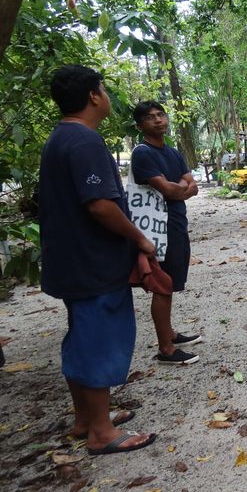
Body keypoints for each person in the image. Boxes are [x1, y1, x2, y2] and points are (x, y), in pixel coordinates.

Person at [39, 65, 156, 454]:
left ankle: (85, 418)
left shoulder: (59, 138)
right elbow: (101, 205)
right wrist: (140, 239)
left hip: (70, 260)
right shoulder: (85, 142)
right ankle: (102, 433)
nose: (106, 96)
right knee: (98, 338)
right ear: (93, 96)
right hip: (93, 262)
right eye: (103, 89)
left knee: (81, 335)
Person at [130, 101, 202, 365]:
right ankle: (166, 349)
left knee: (171, 281)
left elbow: (193, 187)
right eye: (151, 117)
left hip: (176, 223)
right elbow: (171, 190)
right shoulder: (143, 153)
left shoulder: (173, 153)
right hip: (156, 228)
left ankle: (170, 333)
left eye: (161, 114)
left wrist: (178, 186)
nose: (158, 120)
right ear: (140, 125)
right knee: (163, 284)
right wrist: (181, 186)